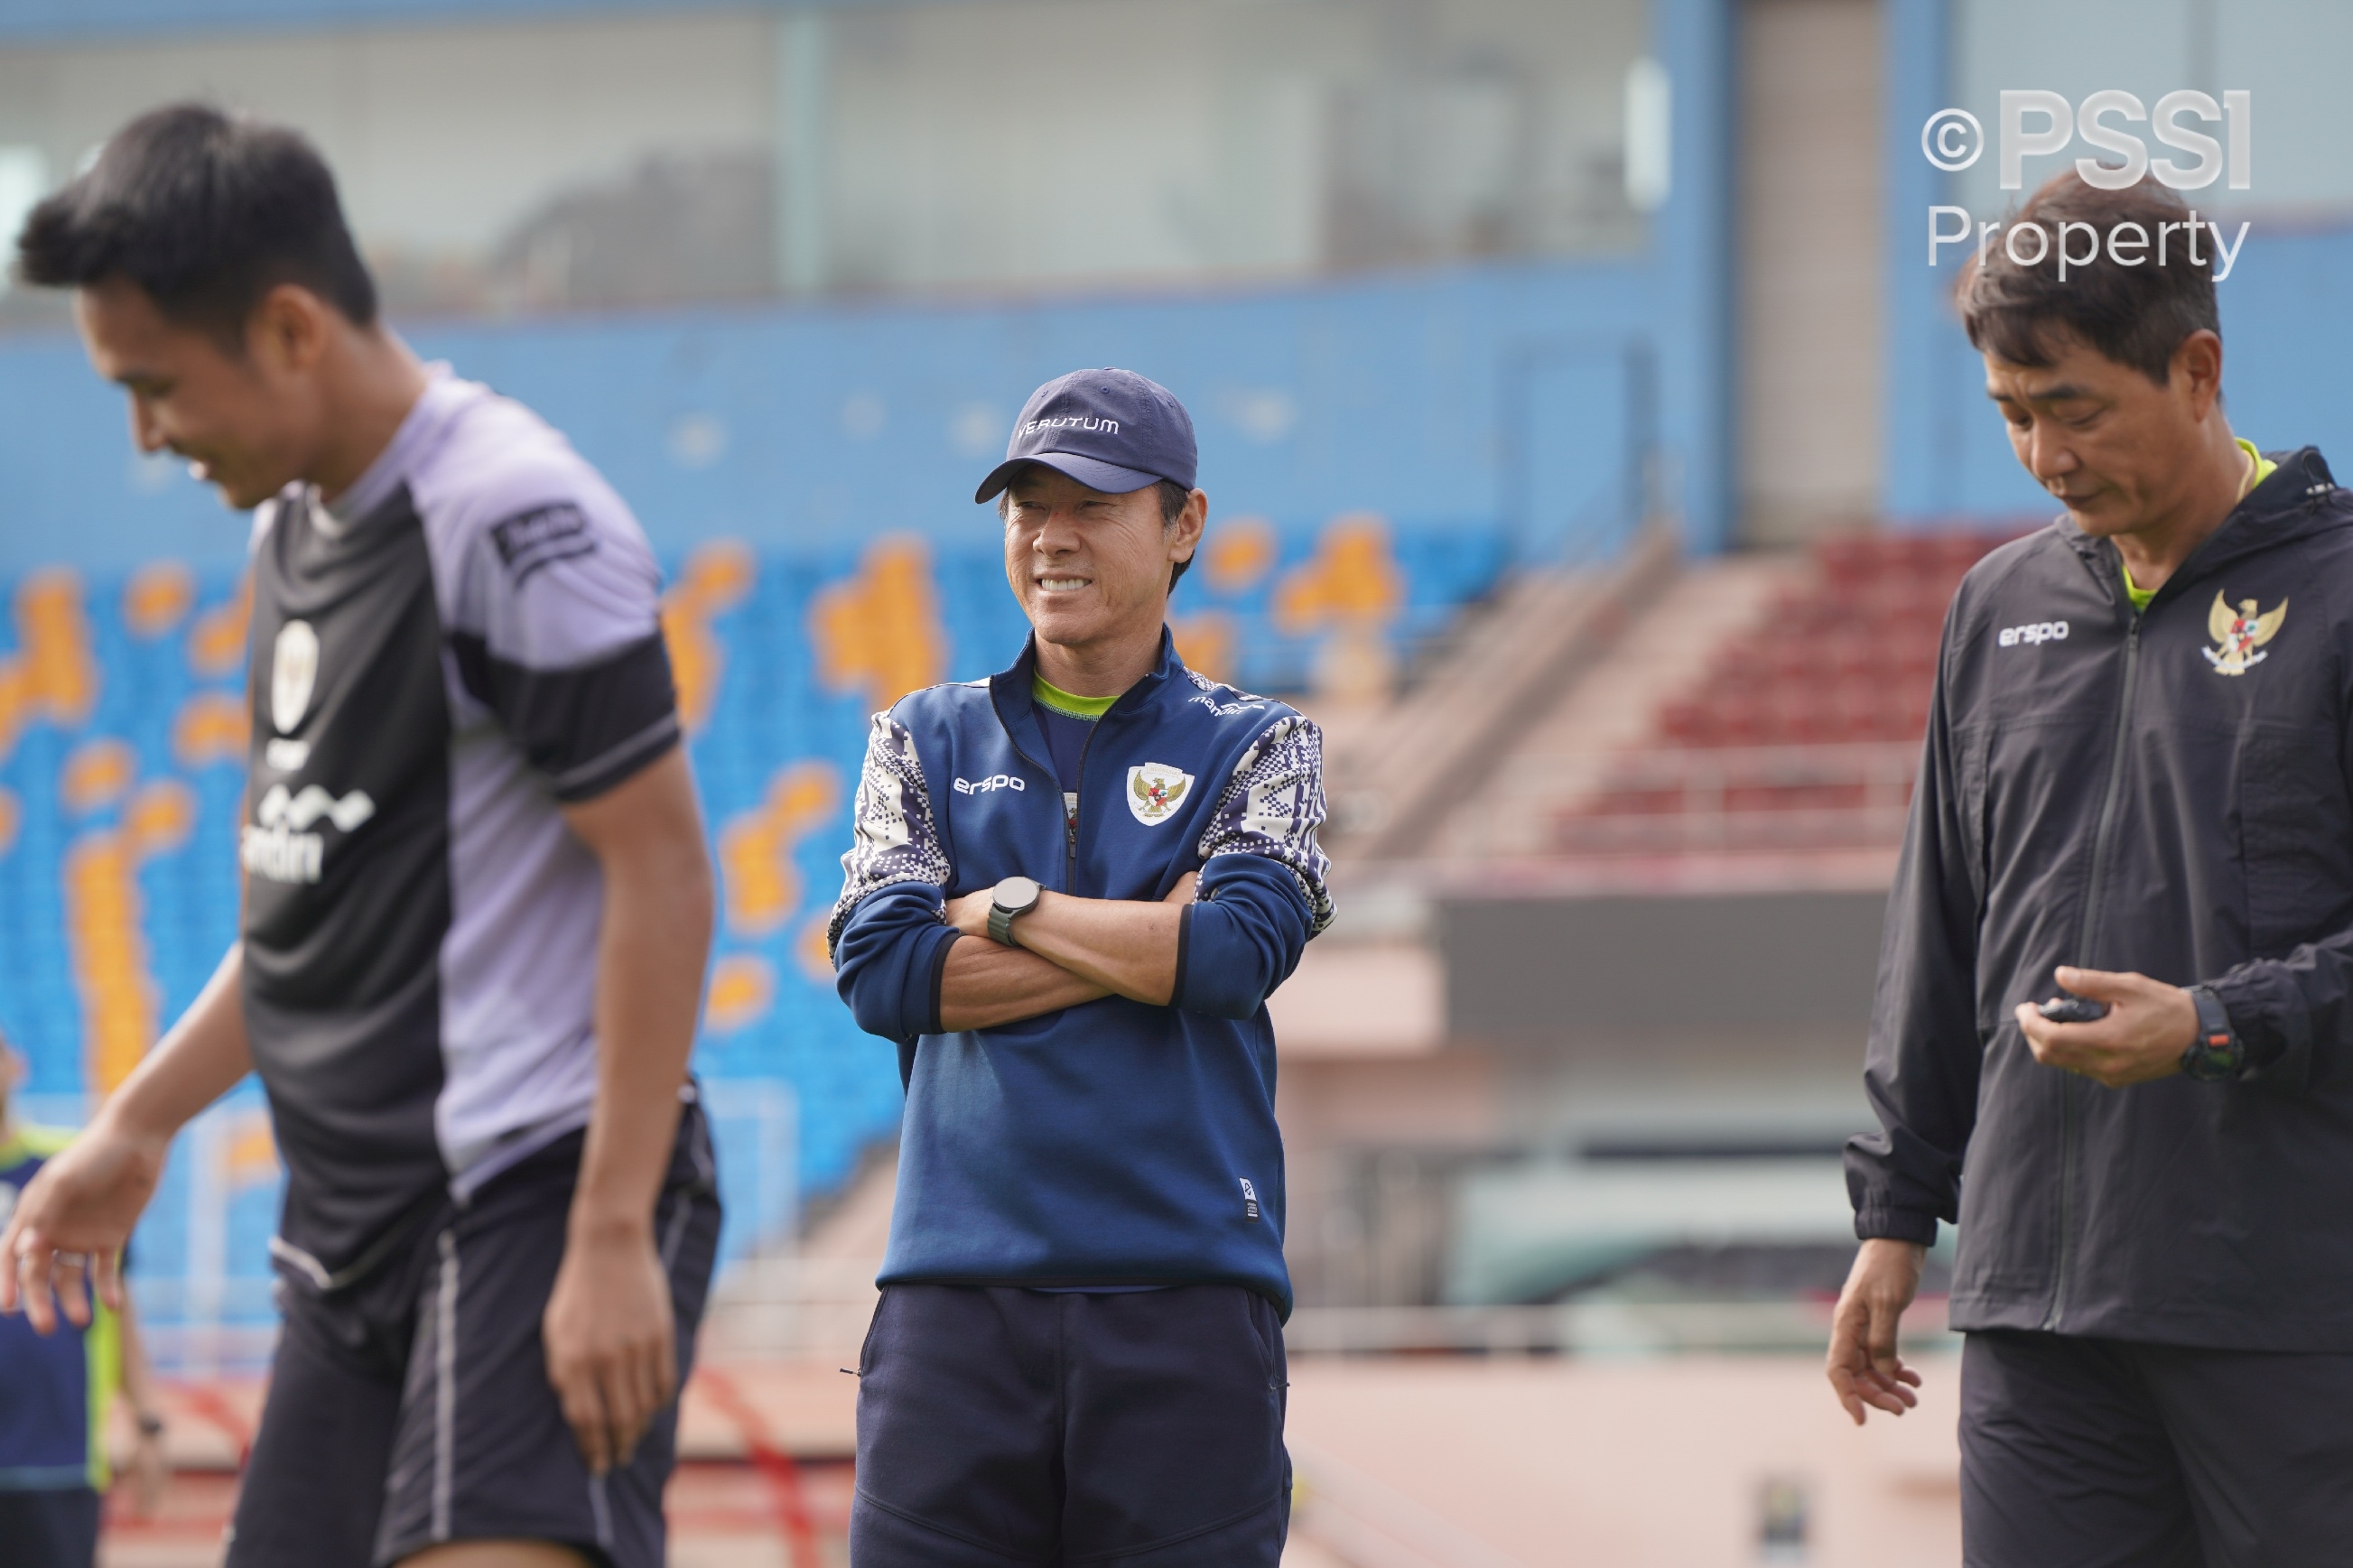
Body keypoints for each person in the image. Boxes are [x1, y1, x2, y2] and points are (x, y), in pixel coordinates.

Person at [0, 106, 720, 1568]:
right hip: (348, 1239)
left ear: (286, 328)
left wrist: (608, 1229)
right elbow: (306, 905)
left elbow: (662, 866)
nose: (146, 436)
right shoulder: (293, 535)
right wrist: (139, 1119)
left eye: (157, 388)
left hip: (526, 1192)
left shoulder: (511, 515)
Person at [1831, 170, 2353, 1564]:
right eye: (2012, 414)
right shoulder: (1993, 609)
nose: (2044, 457)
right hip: (2035, 1317)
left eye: (2073, 407)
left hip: (2295, 1316)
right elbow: (1937, 928)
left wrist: (2214, 1024)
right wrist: (1895, 1211)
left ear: (2196, 371)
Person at [829, 367, 1331, 1566]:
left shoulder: (1265, 742)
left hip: (1187, 1308)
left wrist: (995, 909)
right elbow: (882, 973)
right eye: (1025, 505)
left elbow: (1230, 951)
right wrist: (1132, 936)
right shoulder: (917, 734)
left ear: (1182, 527)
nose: (1052, 535)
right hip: (953, 1312)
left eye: (1093, 504)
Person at [0, 1041, 167, 1568]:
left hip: (60, 1454)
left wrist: (147, 1420)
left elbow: (118, 1300)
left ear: (14, 1064)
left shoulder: (68, 1170)